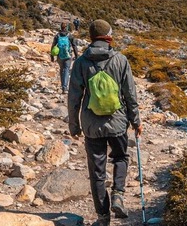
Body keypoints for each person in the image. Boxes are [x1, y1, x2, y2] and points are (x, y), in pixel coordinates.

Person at [68, 20, 141, 225]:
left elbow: (74, 97)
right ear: (109, 36)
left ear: (91, 37)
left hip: (91, 125)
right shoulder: (120, 60)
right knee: (120, 157)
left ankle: (103, 216)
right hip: (117, 122)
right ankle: (118, 193)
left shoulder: (81, 62)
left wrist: (74, 125)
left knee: (97, 172)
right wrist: (135, 121)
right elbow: (130, 94)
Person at [51, 23, 79, 93]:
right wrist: (77, 56)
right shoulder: (69, 35)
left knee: (62, 69)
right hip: (68, 55)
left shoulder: (57, 35)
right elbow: (74, 46)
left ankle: (62, 85)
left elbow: (53, 46)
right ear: (67, 27)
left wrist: (52, 56)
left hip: (60, 56)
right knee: (66, 69)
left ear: (61, 27)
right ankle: (64, 87)